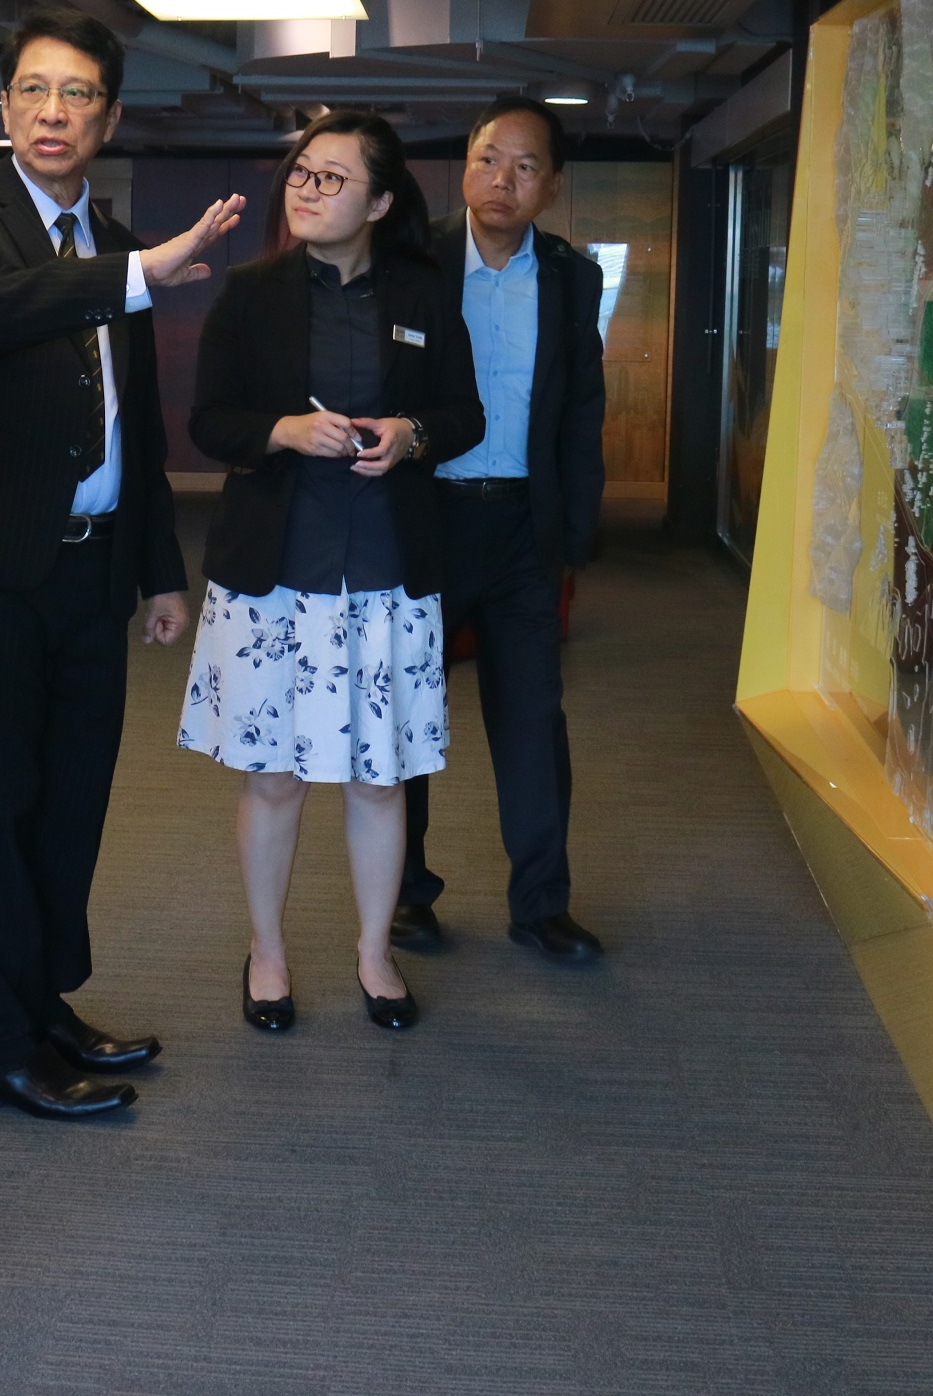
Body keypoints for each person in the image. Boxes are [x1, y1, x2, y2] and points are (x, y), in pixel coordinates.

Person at [0, 10, 244, 1121]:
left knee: (68, 809)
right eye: (34, 91)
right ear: (4, 107)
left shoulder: (111, 241)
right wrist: (137, 272)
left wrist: (158, 570)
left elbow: (134, 424)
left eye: (78, 94)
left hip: (91, 578)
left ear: (108, 116)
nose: (53, 112)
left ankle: (42, 1007)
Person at [179, 110, 486, 1032]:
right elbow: (209, 421)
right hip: (276, 574)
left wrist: (410, 435)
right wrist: (279, 430)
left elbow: (462, 415)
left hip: (387, 571)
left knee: (378, 777)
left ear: (380, 202)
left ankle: (373, 951)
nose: (307, 191)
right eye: (301, 173)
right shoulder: (250, 293)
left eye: (331, 178)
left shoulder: (423, 294)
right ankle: (266, 951)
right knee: (273, 776)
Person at [393, 97, 610, 963]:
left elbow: (581, 410)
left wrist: (573, 538)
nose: (501, 180)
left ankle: (541, 905)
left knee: (531, 721)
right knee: (407, 715)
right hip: (424, 519)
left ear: (550, 187)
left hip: (523, 525)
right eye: (488, 159)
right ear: (464, 167)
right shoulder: (412, 260)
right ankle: (404, 894)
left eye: (524, 167)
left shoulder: (569, 278)